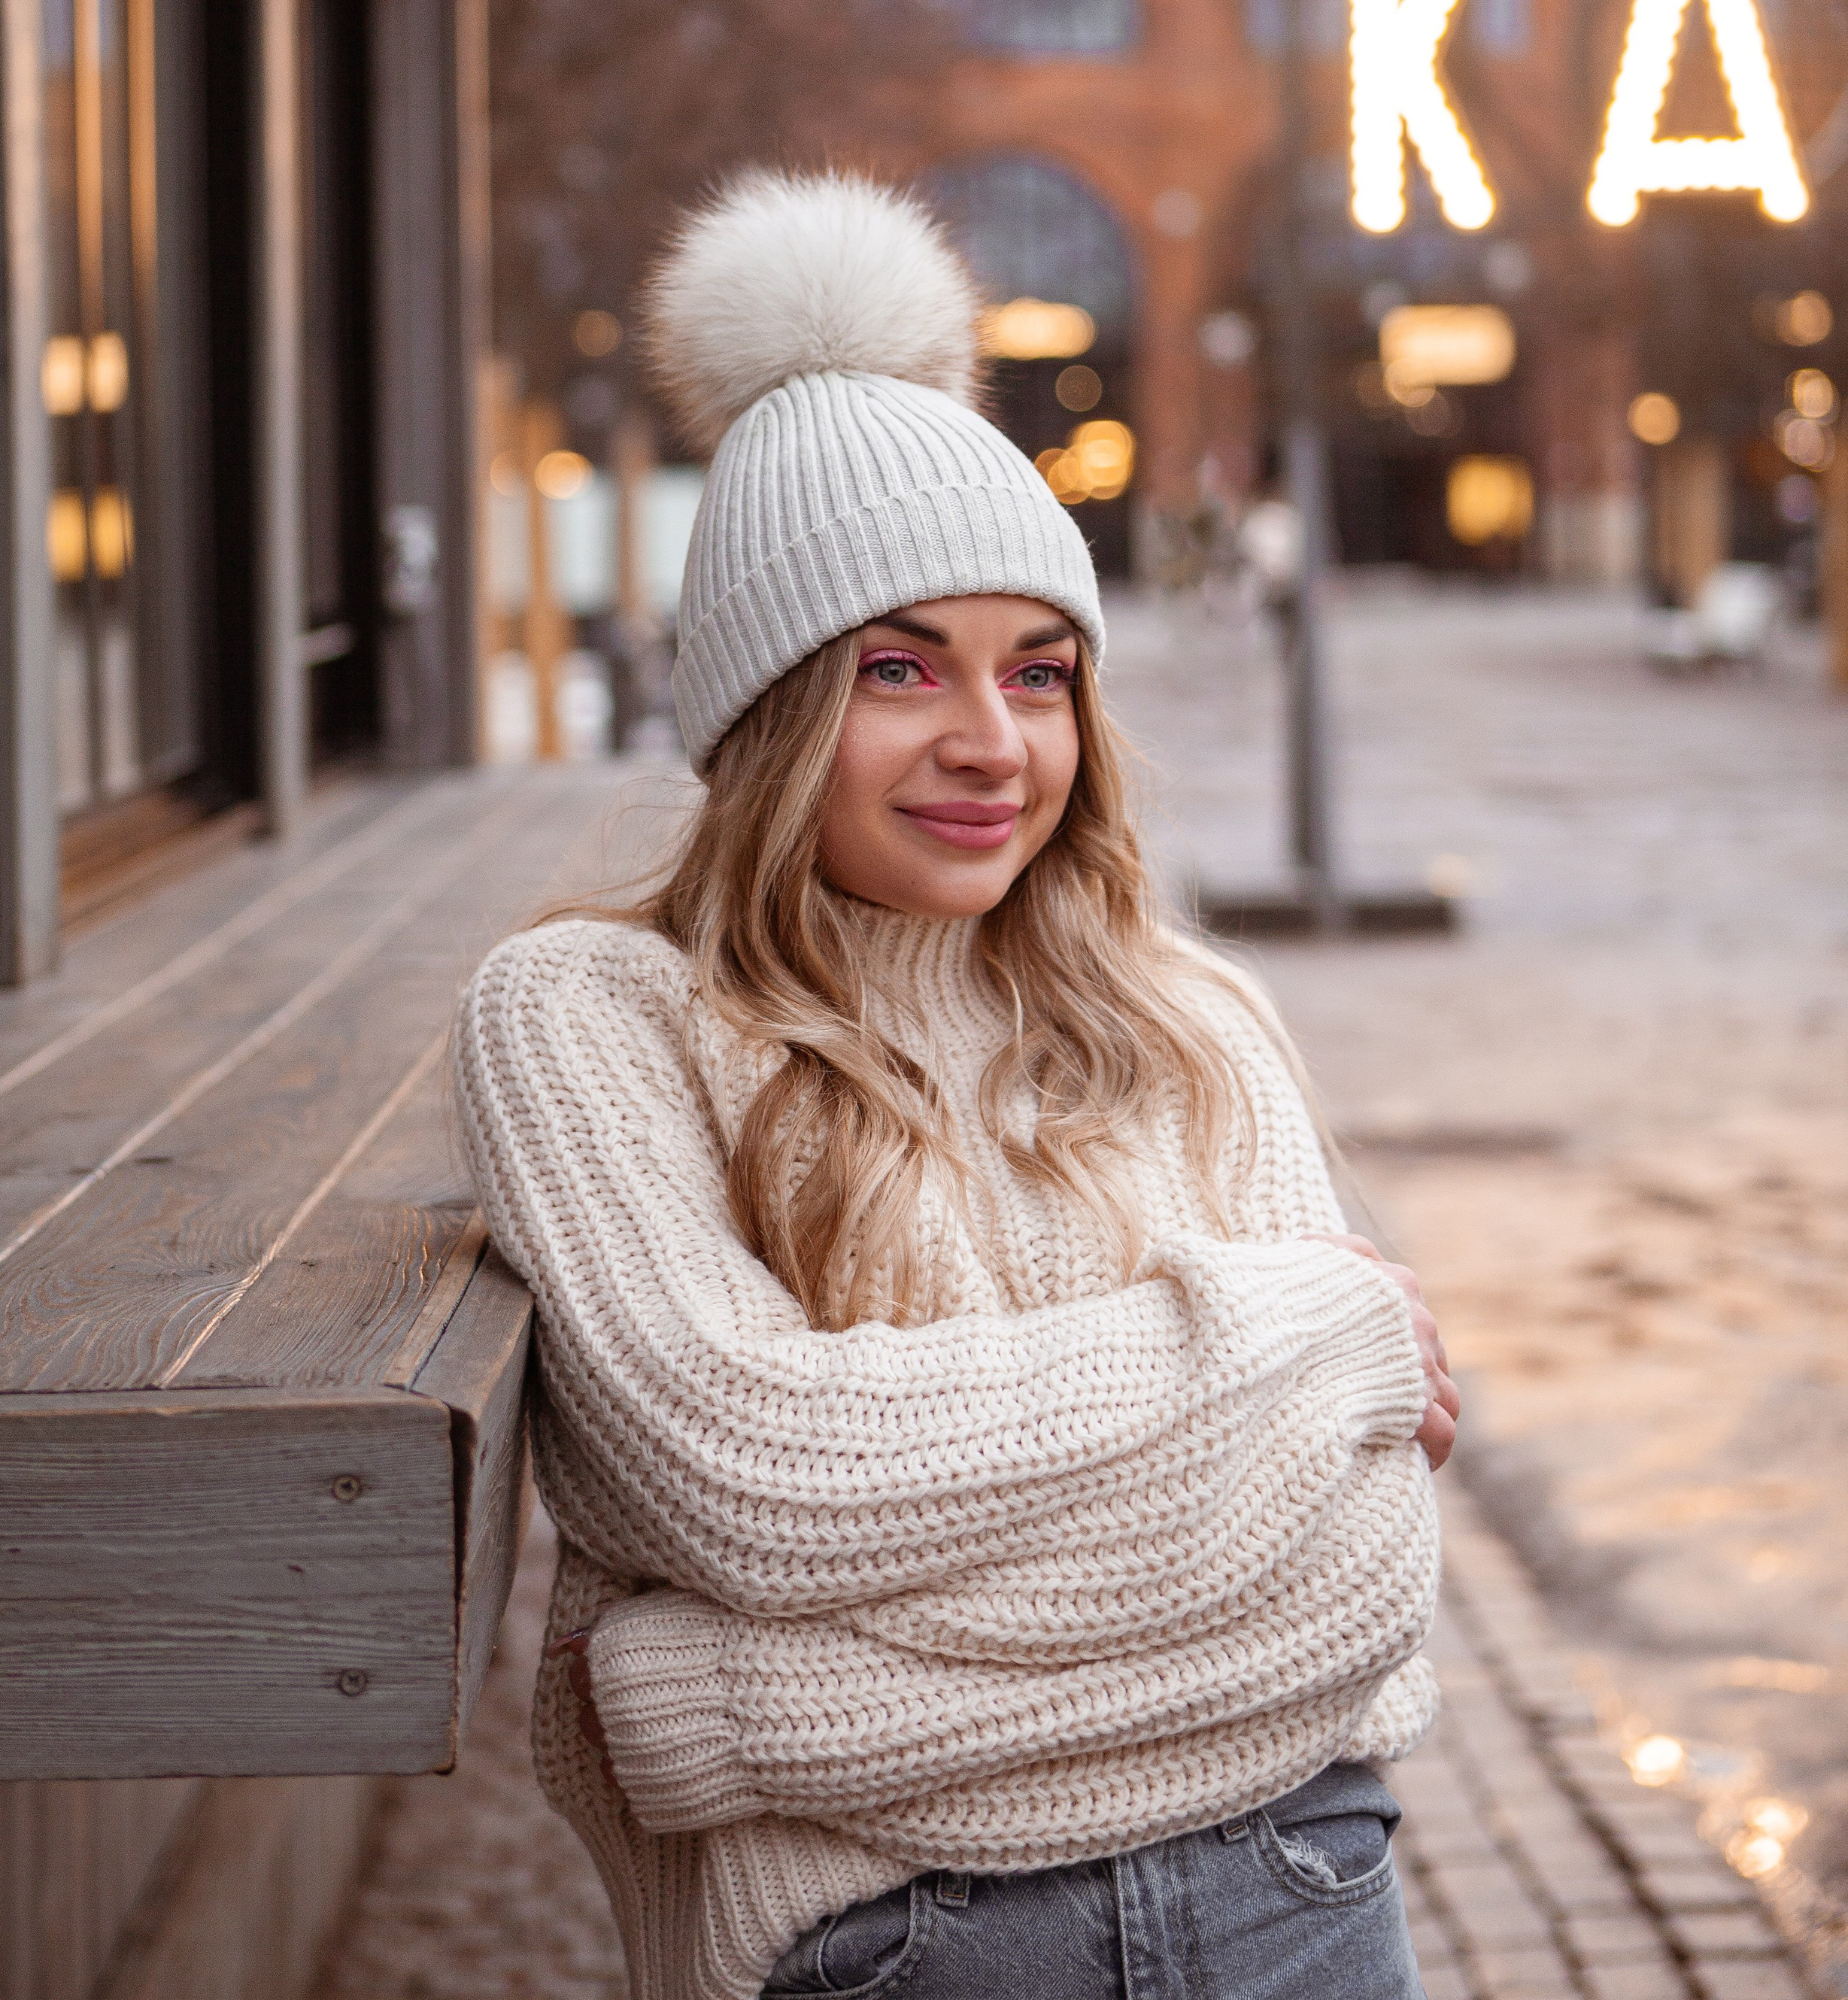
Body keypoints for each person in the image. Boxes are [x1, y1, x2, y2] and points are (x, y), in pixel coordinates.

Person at [455, 171, 1459, 2000]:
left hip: (1296, 1893)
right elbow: (749, 1477)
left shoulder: (1190, 1018)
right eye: (900, 670)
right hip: (899, 1948)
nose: (992, 745)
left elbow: (1366, 1577)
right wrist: (1302, 1340)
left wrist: (748, 1707)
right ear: (766, 714)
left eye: (1042, 673)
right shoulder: (589, 1019)